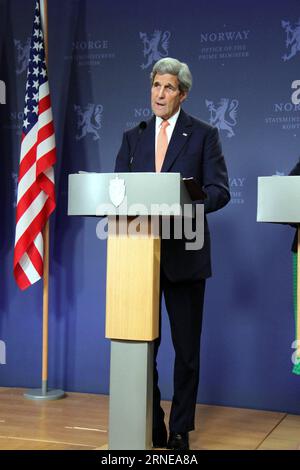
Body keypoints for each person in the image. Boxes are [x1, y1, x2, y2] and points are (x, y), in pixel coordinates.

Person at [115, 57, 230, 450]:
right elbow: (118, 192)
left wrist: (188, 199)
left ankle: (180, 428)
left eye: (168, 87)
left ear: (182, 93)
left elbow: (220, 191)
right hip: (138, 258)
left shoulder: (204, 134)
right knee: (142, 348)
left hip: (186, 255)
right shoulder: (135, 136)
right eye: (155, 86)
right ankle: (153, 421)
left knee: (186, 352)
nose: (159, 94)